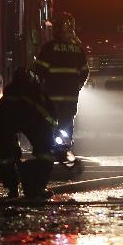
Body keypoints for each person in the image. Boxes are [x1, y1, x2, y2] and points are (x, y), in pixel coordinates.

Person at [0, 69, 58, 199]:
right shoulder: (36, 95)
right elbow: (50, 116)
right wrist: (52, 132)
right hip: (33, 123)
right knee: (45, 152)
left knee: (6, 155)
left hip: (11, 125)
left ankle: (12, 188)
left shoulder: (8, 96)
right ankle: (38, 187)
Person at [32, 12, 89, 162]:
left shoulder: (49, 48)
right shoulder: (77, 49)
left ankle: (51, 146)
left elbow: (39, 70)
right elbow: (85, 71)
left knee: (50, 120)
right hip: (71, 96)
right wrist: (76, 87)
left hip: (52, 95)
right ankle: (65, 146)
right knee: (68, 120)